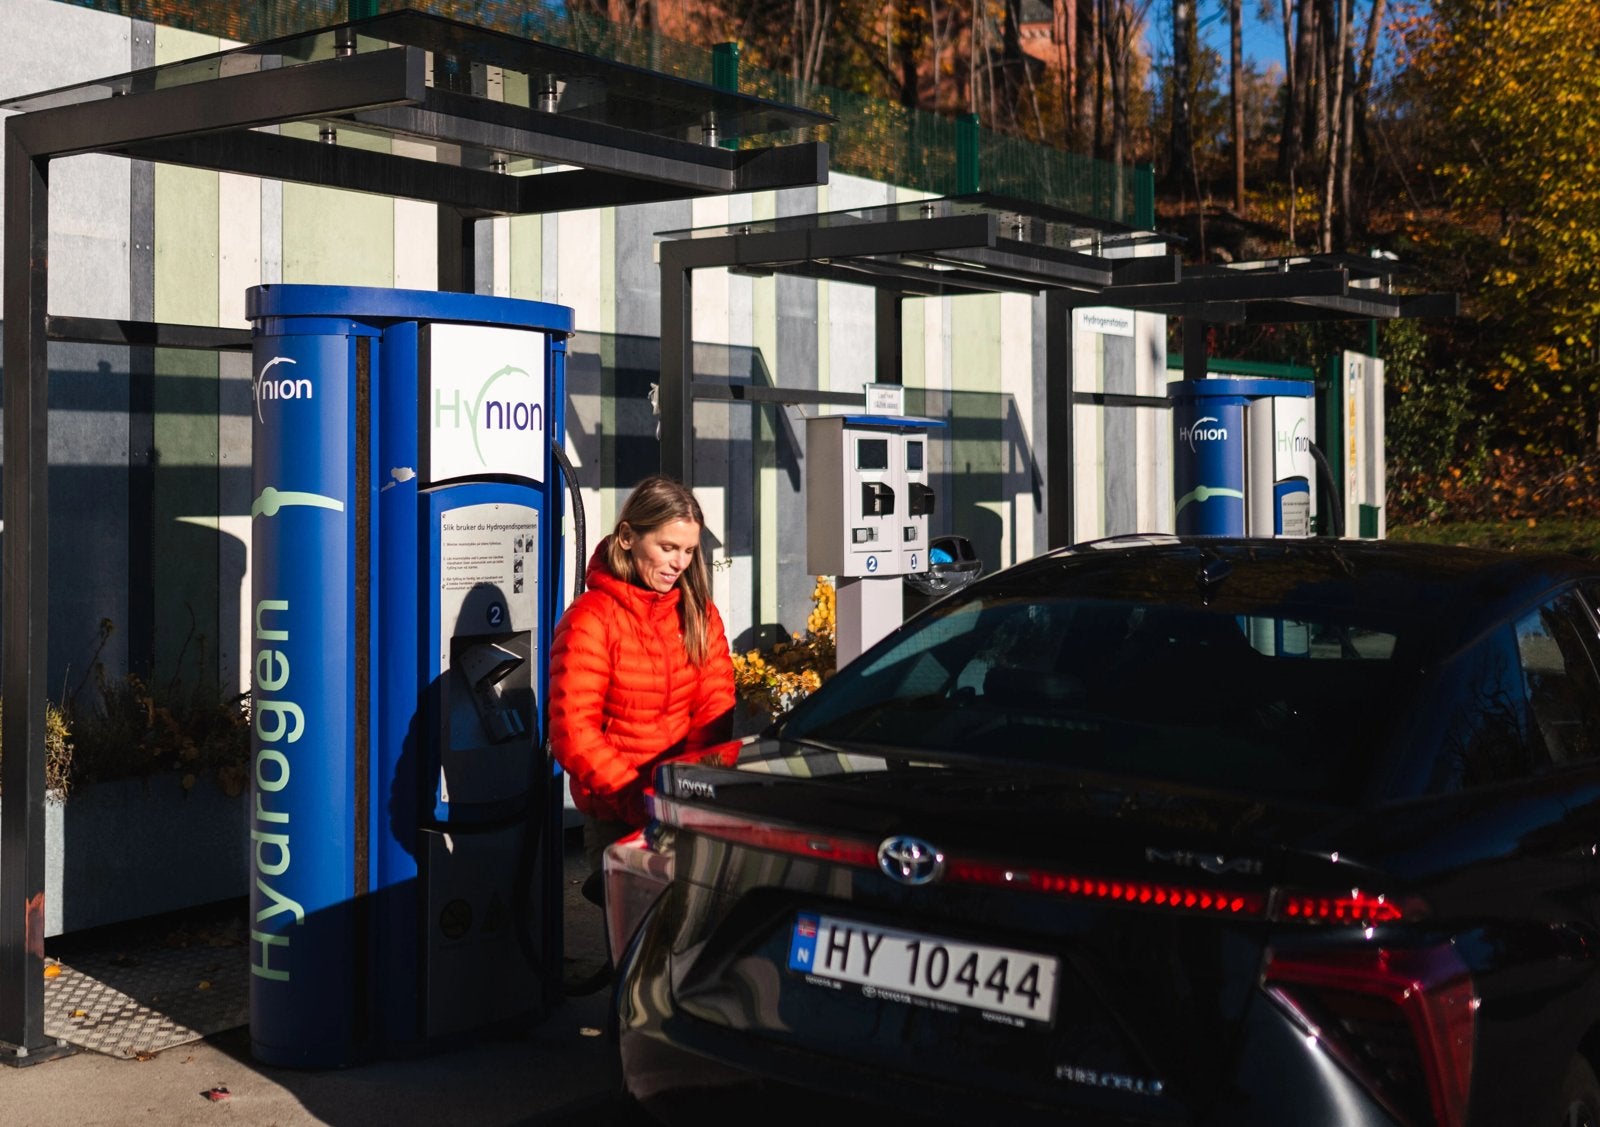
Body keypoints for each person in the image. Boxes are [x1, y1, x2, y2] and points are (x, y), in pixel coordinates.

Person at [548, 474, 736, 895]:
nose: (679, 563)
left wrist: (685, 790)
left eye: (689, 550)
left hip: (683, 809)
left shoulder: (698, 613)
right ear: (628, 537)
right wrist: (640, 801)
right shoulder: (592, 618)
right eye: (667, 548)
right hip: (618, 814)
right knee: (636, 930)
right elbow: (573, 731)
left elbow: (715, 706)